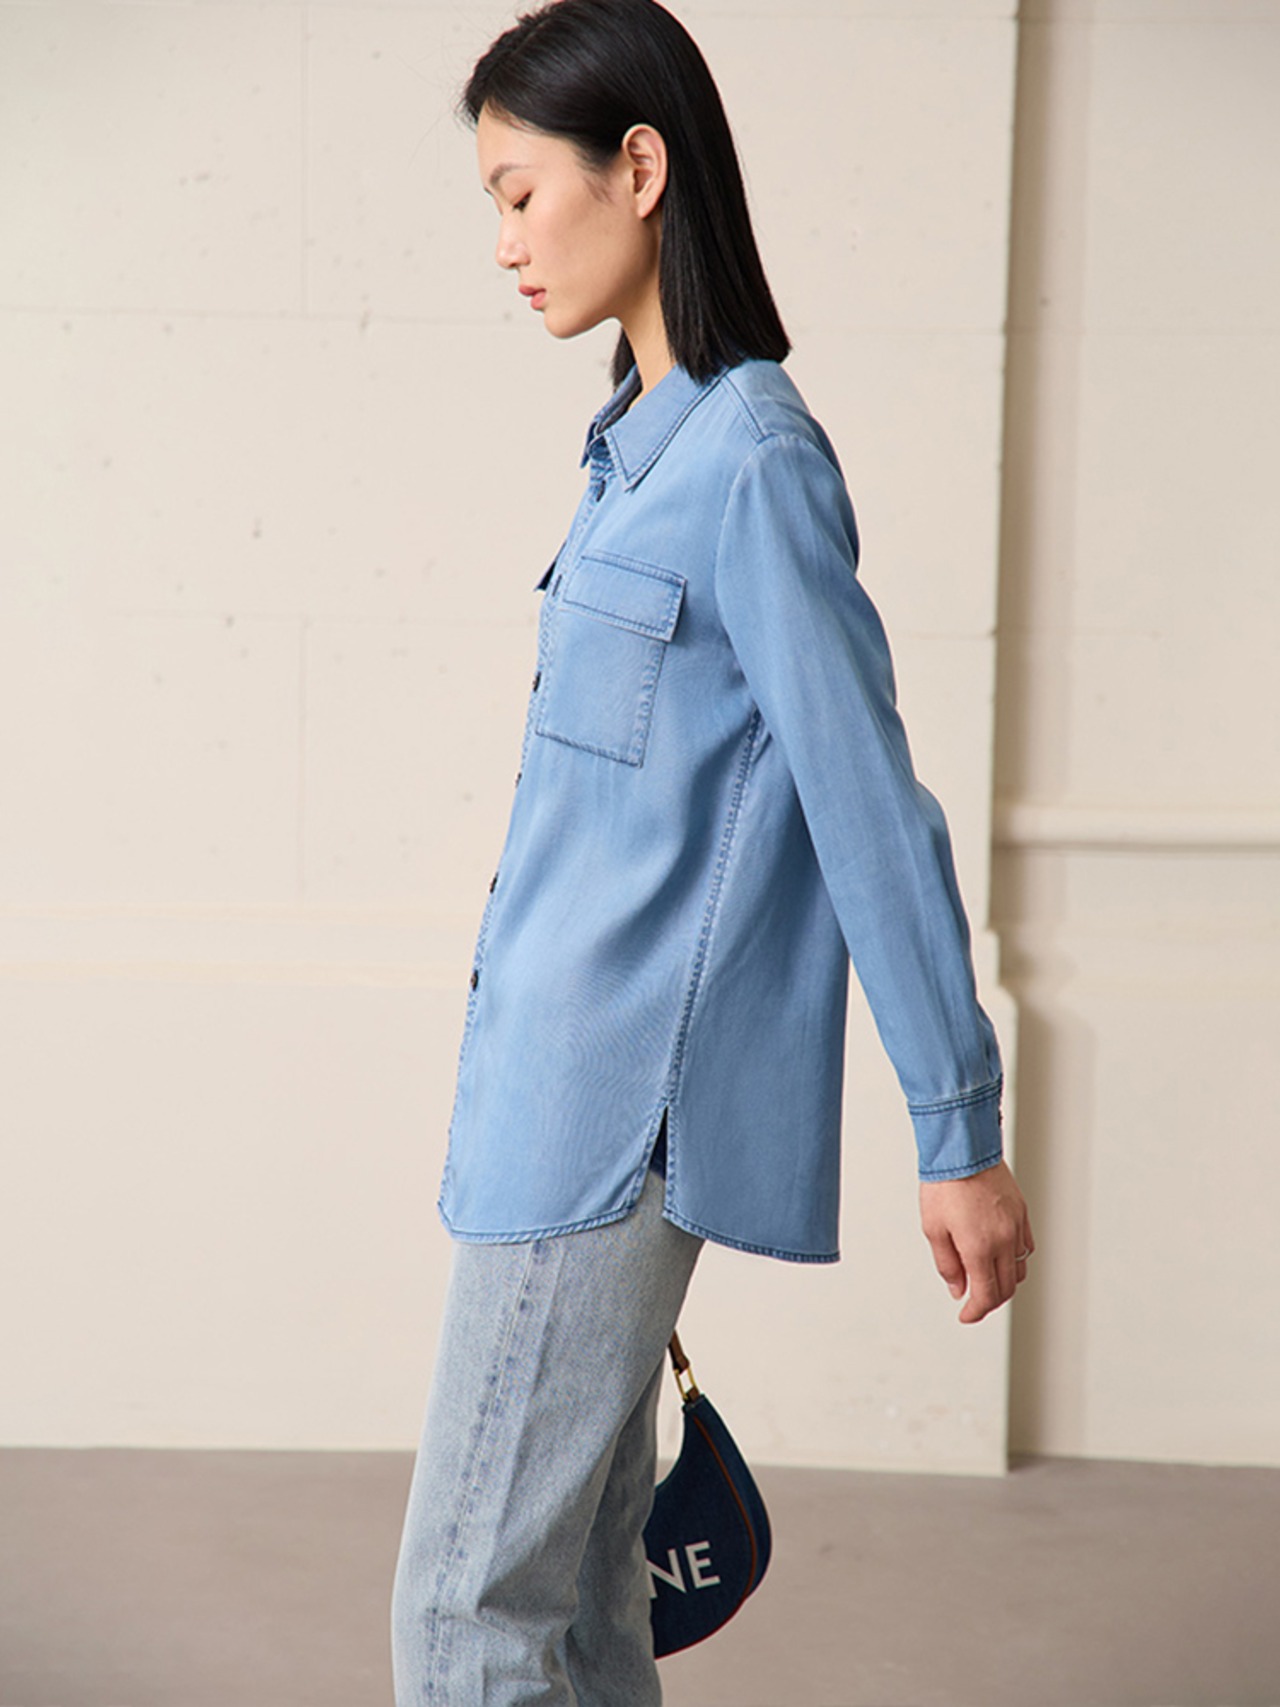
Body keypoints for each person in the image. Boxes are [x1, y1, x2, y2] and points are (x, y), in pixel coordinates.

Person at [390, 2, 1035, 1702]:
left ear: (640, 167)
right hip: (543, 1100)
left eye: (521, 195)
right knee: (582, 1610)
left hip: (608, 1124)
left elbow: (868, 802)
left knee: (467, 1615)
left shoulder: (750, 462)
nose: (506, 243)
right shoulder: (631, 454)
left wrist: (958, 1129)